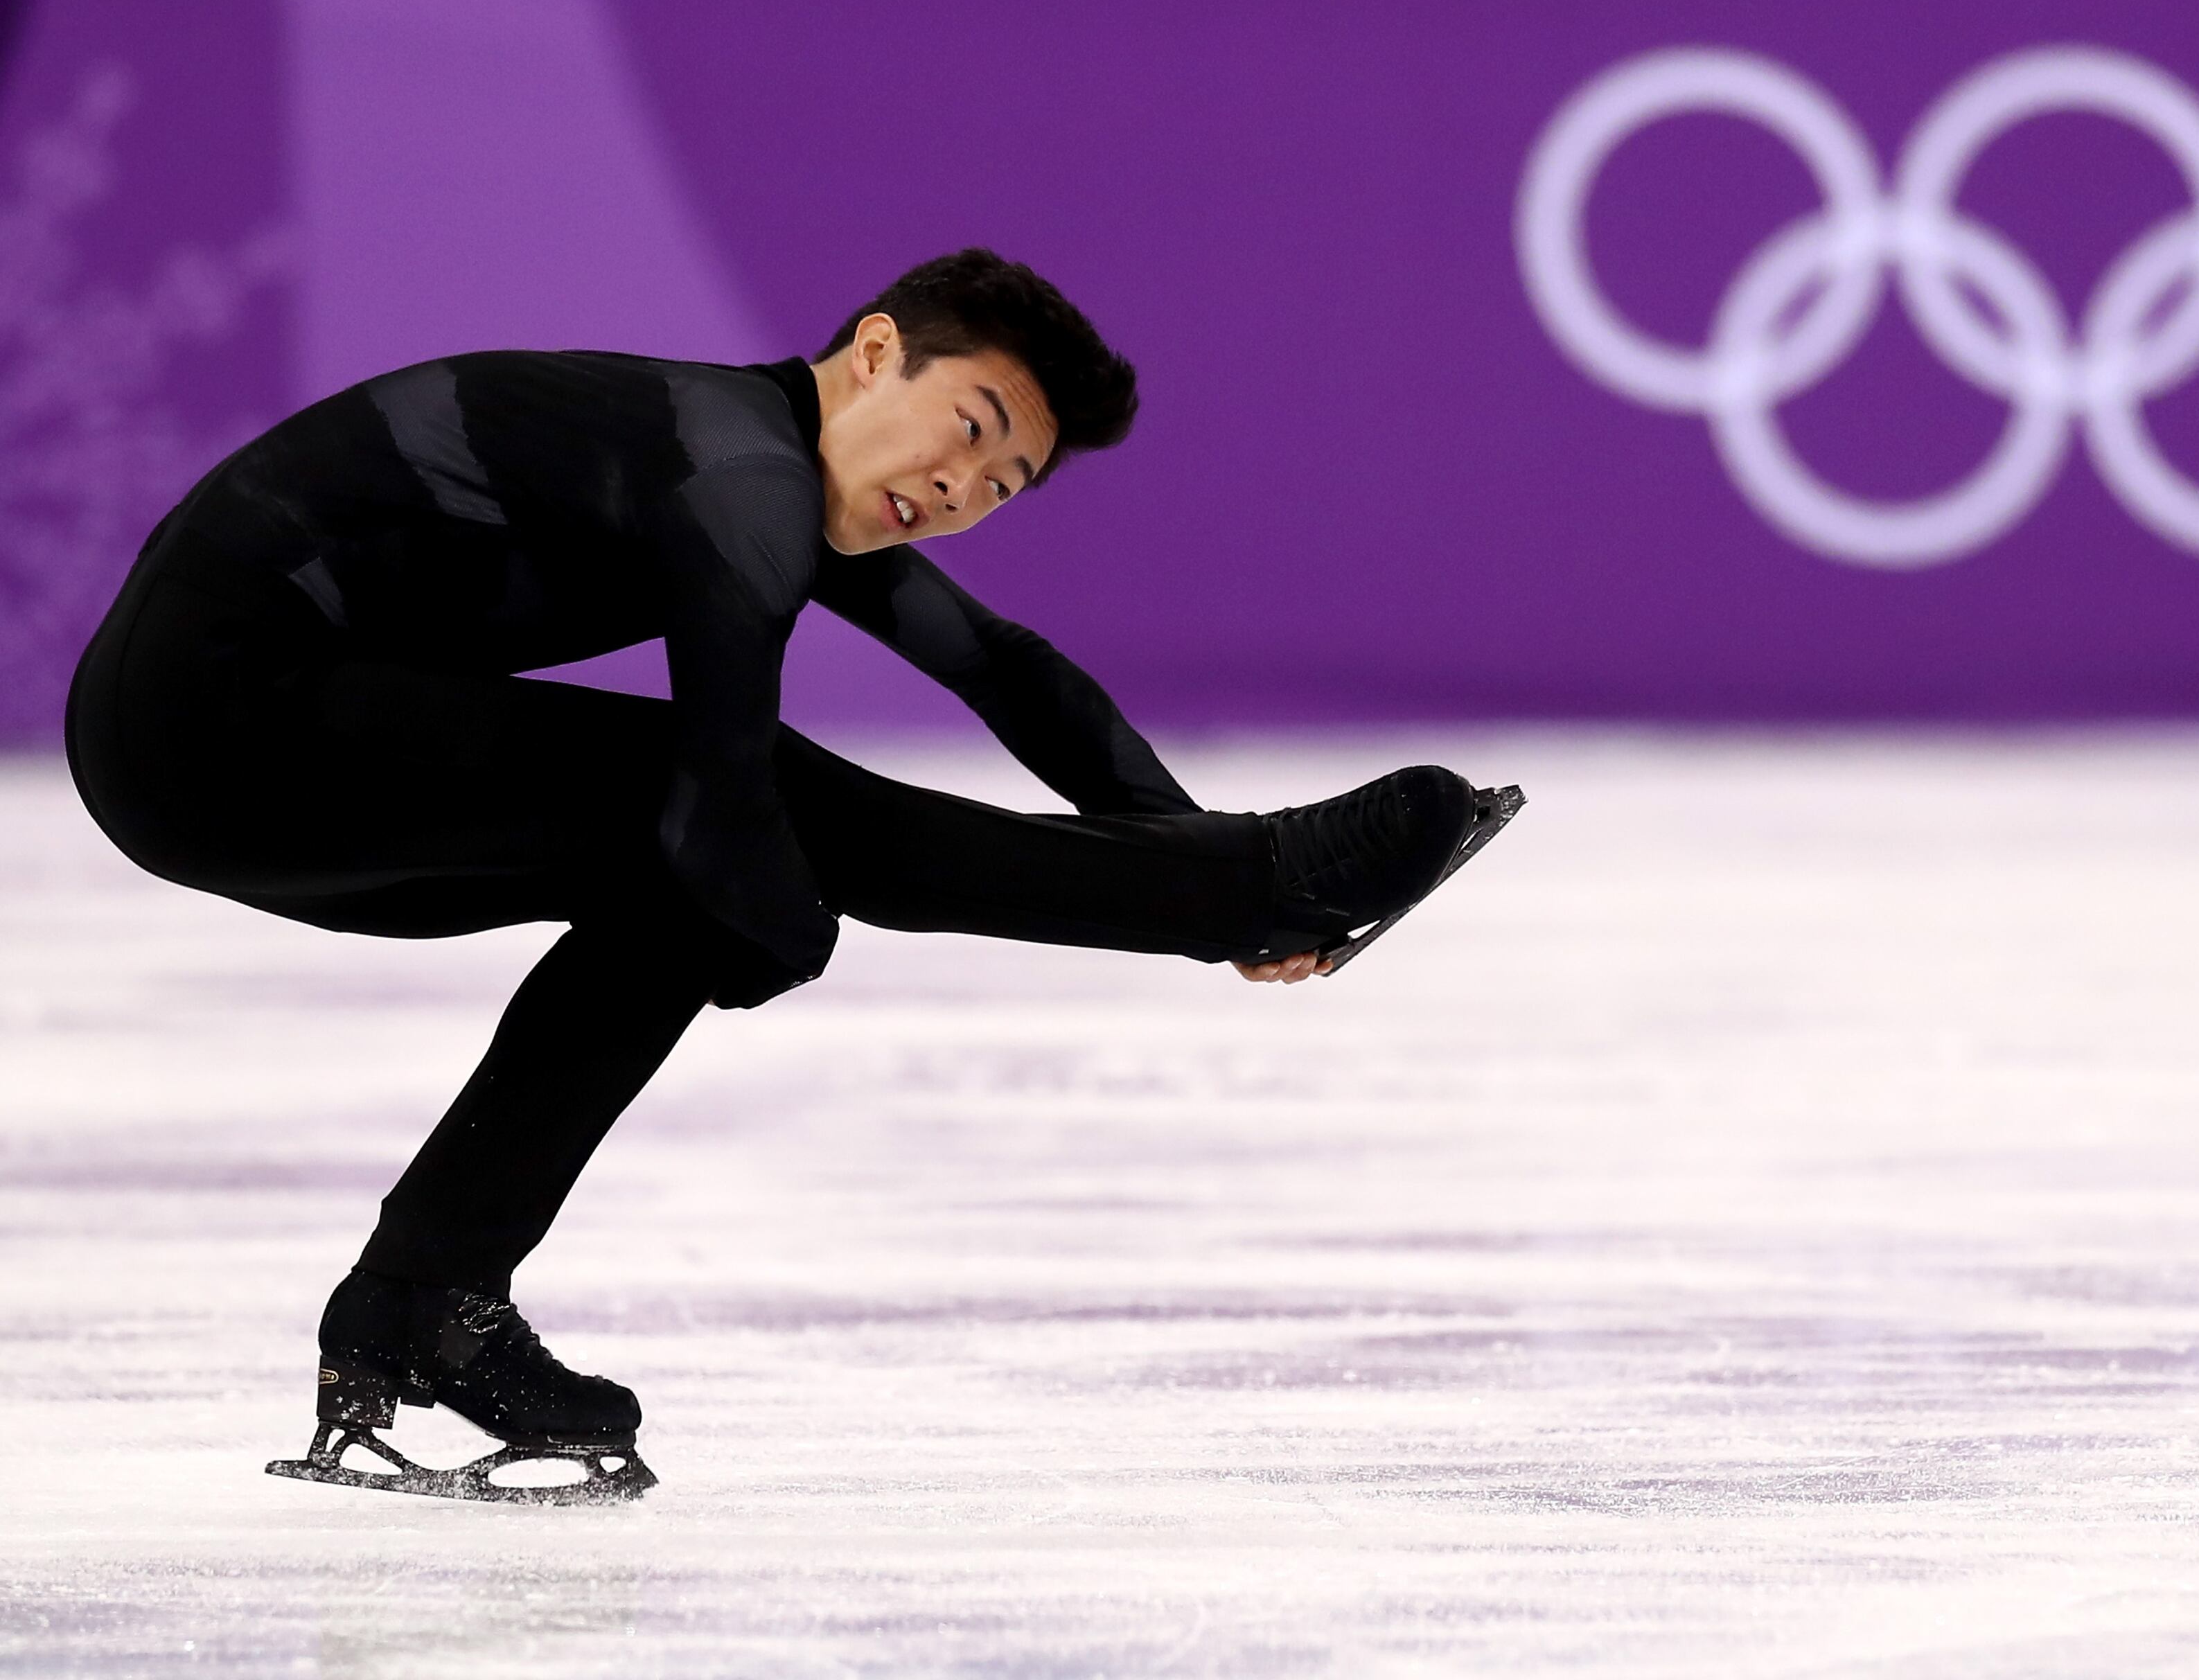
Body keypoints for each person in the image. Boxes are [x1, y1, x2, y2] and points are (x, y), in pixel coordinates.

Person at [64, 248, 1509, 1502]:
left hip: (221, 741)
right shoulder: (740, 468)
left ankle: (423, 1298)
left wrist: (1179, 841)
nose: (961, 487)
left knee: (676, 885)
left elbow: (1008, 671)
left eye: (1002, 483)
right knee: (743, 827)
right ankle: (1241, 885)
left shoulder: (766, 466)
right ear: (875, 352)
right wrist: (1220, 892)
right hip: (215, 716)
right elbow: (732, 775)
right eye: (971, 425)